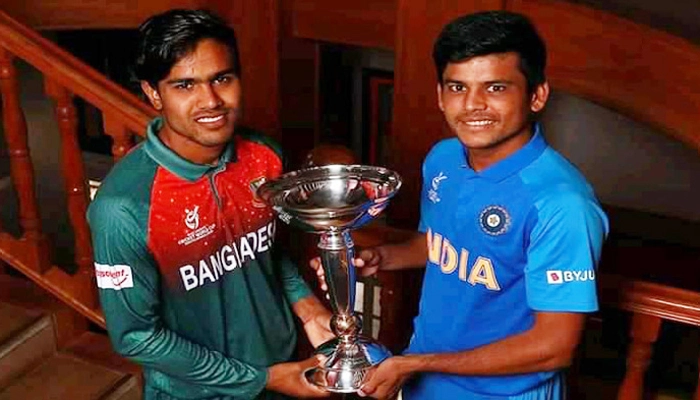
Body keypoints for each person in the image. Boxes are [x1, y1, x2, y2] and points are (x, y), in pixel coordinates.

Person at [311, 10, 609, 400]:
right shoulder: (444, 158)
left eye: (495, 88)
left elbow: (554, 346)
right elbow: (438, 244)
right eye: (457, 87)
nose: (472, 105)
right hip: (425, 379)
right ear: (440, 95)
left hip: (504, 394)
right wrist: (380, 257)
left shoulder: (562, 204)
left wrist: (416, 364)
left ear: (537, 95)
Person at [87, 9, 333, 400]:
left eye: (222, 78)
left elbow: (267, 250)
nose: (211, 101)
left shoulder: (264, 156)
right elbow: (135, 336)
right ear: (153, 93)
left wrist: (308, 307)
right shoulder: (122, 207)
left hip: (286, 372)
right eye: (185, 85)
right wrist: (259, 379)